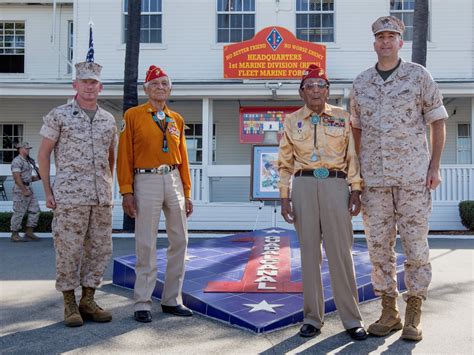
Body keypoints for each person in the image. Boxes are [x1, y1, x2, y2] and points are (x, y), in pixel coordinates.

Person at [350, 16, 448, 341]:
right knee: (378, 248)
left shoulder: (419, 76)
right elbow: (355, 130)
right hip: (374, 182)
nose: (386, 42)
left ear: (400, 42)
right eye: (381, 37)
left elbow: (437, 122)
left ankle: (414, 313)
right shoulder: (361, 83)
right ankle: (389, 310)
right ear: (374, 42)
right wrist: (355, 175)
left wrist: (434, 167)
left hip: (413, 179)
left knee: (416, 246)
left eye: (392, 36)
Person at [278, 64, 367, 341]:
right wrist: (284, 197)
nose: (315, 90)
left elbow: (353, 156)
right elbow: (284, 163)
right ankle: (312, 319)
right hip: (303, 185)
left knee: (340, 253)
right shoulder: (292, 121)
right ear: (301, 92)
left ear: (327, 91)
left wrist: (355, 190)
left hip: (335, 185)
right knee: (309, 255)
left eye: (320, 85)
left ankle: (352, 319)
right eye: (310, 85)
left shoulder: (343, 117)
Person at [38, 61, 117, 327]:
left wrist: (108, 187)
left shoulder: (108, 120)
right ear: (75, 85)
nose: (89, 87)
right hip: (70, 197)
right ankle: (69, 303)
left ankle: (88, 300)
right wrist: (48, 191)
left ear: (100, 86)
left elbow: (111, 158)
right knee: (68, 250)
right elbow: (44, 155)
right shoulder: (59, 115)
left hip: (100, 198)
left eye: (93, 82)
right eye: (84, 82)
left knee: (99, 249)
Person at [117, 65, 193, 323]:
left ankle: (172, 299)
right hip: (145, 179)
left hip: (173, 179)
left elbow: (183, 158)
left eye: (164, 83)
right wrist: (126, 191)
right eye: (155, 84)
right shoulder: (134, 115)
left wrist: (187, 191)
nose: (160, 87)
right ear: (146, 89)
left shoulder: (176, 119)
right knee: (146, 243)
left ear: (170, 89)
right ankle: (142, 302)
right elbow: (124, 156)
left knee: (180, 240)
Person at [10, 142, 41, 242]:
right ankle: (14, 234)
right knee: (19, 212)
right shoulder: (17, 161)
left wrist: (37, 177)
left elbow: (27, 178)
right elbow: (17, 177)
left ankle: (29, 232)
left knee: (35, 210)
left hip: (29, 188)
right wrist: (23, 190)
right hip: (20, 190)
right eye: (26, 148)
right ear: (20, 149)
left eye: (29, 148)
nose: (28, 150)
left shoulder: (27, 161)